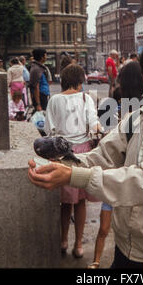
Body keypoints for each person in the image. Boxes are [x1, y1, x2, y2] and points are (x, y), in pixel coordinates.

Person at [28, 35, 143, 268]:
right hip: (124, 247)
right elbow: (103, 155)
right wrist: (62, 165)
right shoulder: (138, 115)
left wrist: (74, 176)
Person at [88, 61, 143, 269]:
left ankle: (95, 261)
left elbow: (101, 138)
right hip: (134, 176)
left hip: (112, 173)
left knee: (104, 227)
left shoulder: (109, 104)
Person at [44, 64, 102, 259]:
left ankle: (63, 240)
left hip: (60, 154)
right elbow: (94, 126)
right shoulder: (87, 99)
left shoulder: (54, 100)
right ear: (80, 82)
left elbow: (49, 129)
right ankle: (78, 245)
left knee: (65, 202)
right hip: (83, 154)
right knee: (80, 202)